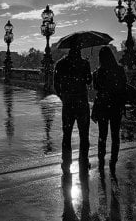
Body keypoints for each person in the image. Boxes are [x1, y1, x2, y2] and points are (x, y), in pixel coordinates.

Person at [54, 43, 92, 175]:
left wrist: (63, 96)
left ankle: (66, 162)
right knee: (84, 134)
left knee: (67, 134)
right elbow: (89, 81)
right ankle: (83, 160)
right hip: (82, 102)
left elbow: (56, 84)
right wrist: (87, 65)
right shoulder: (84, 64)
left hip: (68, 103)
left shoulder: (60, 64)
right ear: (79, 52)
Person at [92, 46, 127, 175]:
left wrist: (96, 74)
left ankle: (101, 159)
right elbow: (123, 87)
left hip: (102, 105)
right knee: (115, 135)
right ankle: (113, 160)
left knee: (102, 134)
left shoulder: (99, 72)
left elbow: (95, 87)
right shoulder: (119, 70)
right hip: (116, 105)